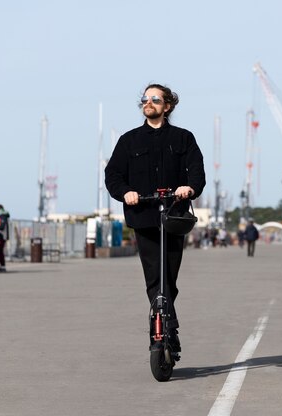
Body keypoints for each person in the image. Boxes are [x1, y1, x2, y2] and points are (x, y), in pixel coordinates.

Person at [105, 83, 206, 353]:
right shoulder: (129, 141)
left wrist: (189, 188)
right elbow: (113, 175)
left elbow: (197, 172)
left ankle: (166, 323)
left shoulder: (184, 138)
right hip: (143, 217)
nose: (149, 103)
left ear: (167, 106)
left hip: (174, 216)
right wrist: (125, 193)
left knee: (169, 278)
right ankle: (164, 329)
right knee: (154, 277)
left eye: (155, 99)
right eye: (145, 99)